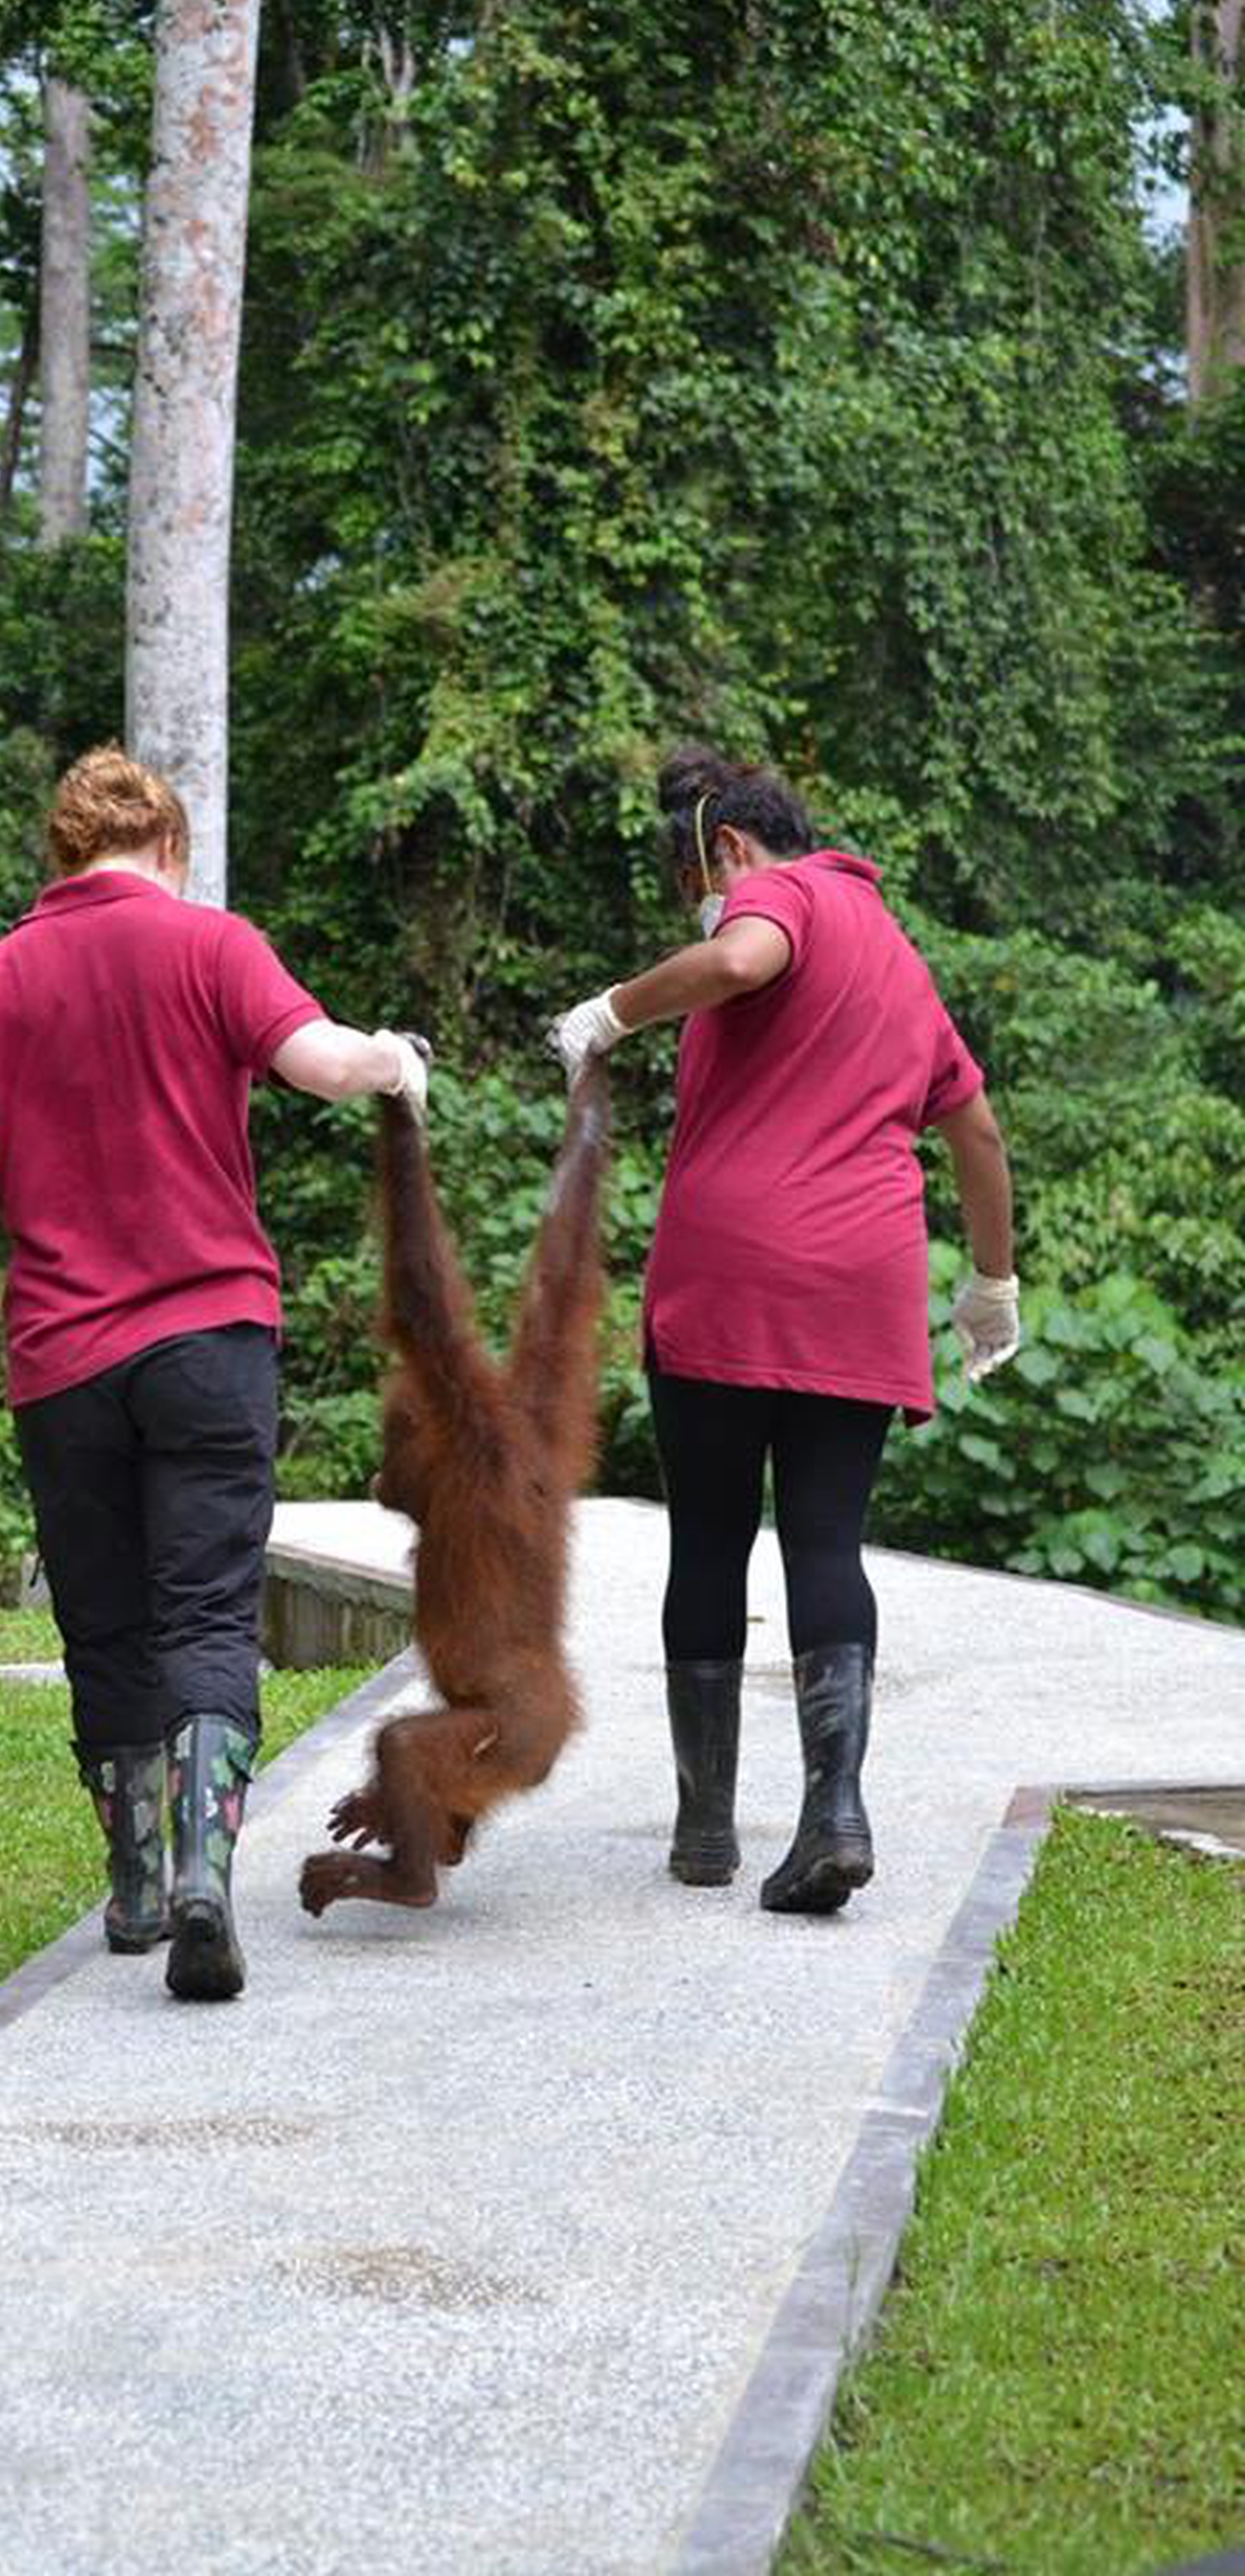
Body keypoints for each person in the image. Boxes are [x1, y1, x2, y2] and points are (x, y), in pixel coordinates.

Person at [0, 744, 427, 2003]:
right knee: (210, 1612)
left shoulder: (1, 975)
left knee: (107, 1625)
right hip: (211, 1342)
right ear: (169, 849)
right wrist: (387, 1060)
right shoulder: (212, 947)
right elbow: (319, 1059)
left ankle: (141, 1881)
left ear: (63, 854)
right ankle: (211, 1867)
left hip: (66, 1362)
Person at [550, 743, 1018, 1915]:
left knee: (708, 1541)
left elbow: (743, 956)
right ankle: (834, 1814)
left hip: (728, 1282)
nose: (708, 909)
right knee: (825, 1543)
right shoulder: (899, 957)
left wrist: (612, 1012)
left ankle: (706, 1828)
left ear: (728, 847)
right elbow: (979, 1138)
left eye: (698, 886)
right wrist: (992, 1282)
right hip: (861, 1294)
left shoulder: (779, 893)